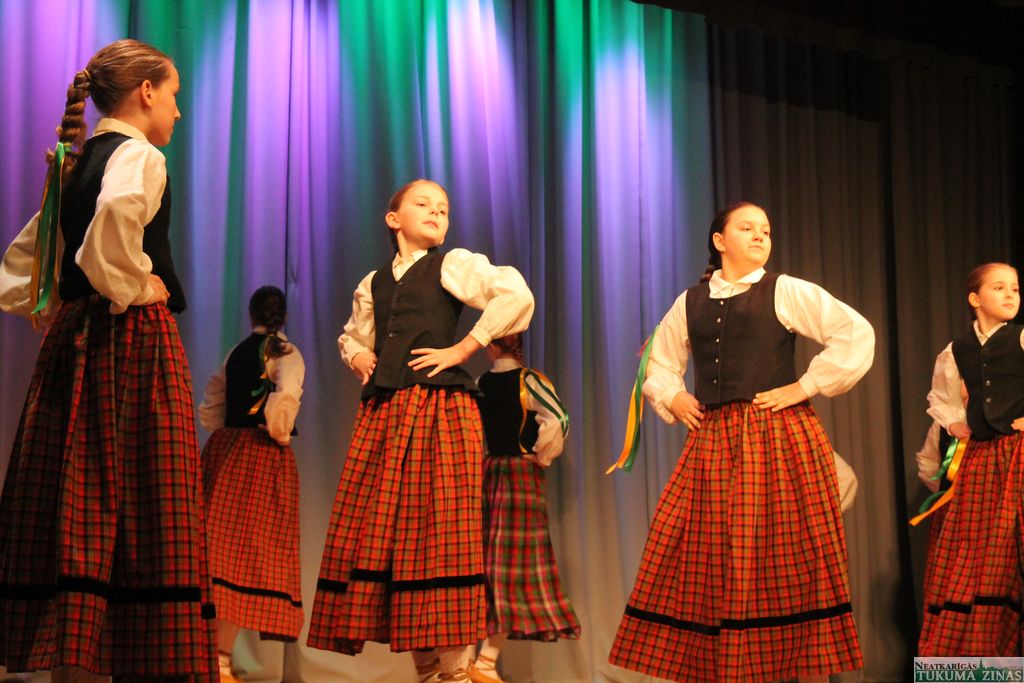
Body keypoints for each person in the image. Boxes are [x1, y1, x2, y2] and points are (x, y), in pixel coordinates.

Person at [0, 39, 216, 681]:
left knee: (81, 488)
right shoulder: (138, 154)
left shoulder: (78, 159)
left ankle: (77, 656)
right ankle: (138, 656)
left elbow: (36, 251)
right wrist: (135, 282)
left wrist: (61, 295)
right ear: (146, 92)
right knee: (144, 496)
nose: (177, 111)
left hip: (77, 341)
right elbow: (115, 219)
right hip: (129, 339)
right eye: (173, 95)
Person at [608, 202, 874, 683]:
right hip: (714, 440)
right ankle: (723, 667)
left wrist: (805, 386)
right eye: (747, 228)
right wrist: (673, 395)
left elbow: (854, 333)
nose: (759, 236)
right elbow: (659, 363)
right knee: (705, 549)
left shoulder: (784, 290)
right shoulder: (690, 301)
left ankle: (788, 667)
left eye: (766, 230)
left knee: (780, 551)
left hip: (775, 434)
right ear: (719, 241)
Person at [306, 179, 534, 682]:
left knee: (439, 540)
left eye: (444, 208)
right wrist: (358, 354)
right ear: (394, 219)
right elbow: (353, 335)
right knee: (391, 541)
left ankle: (456, 673)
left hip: (440, 412)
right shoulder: (373, 283)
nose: (436, 212)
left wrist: (466, 346)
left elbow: (515, 294)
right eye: (423, 203)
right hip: (386, 416)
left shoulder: (451, 266)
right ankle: (429, 672)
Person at [198, 286, 305, 681]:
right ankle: (220, 660)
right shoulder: (287, 354)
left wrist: (225, 428)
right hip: (261, 454)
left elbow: (213, 401)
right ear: (284, 316)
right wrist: (278, 433)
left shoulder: (236, 353)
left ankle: (219, 659)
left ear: (251, 314)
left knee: (222, 555)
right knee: (246, 558)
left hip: (225, 451)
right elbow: (286, 397)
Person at [919, 262, 1022, 656]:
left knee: (1011, 551)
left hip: (1019, 454)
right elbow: (940, 396)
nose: (1010, 294)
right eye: (1000, 287)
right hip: (982, 459)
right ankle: (982, 665)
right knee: (975, 554)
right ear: (975, 299)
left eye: (1015, 288)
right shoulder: (956, 350)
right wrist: (954, 422)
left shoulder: (1021, 338)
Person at [467, 334, 580, 683]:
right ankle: (482, 662)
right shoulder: (527, 380)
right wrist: (540, 455)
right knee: (509, 569)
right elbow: (559, 419)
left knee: (488, 567)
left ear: (491, 345)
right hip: (517, 474)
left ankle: (477, 661)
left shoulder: (481, 383)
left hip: (489, 473)